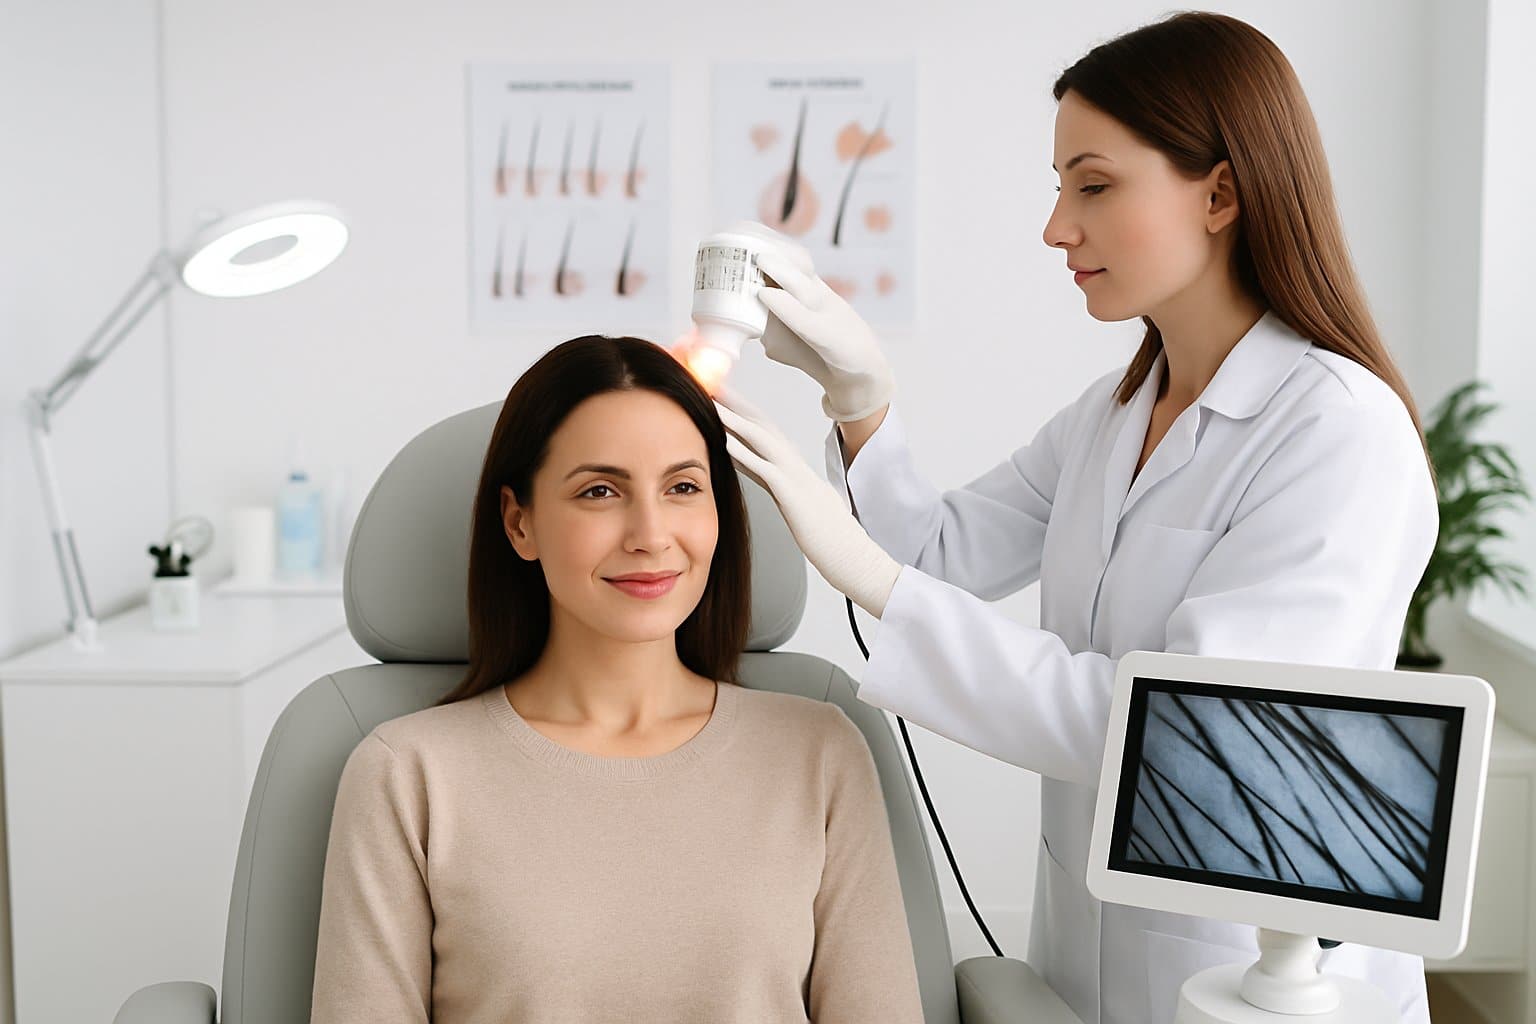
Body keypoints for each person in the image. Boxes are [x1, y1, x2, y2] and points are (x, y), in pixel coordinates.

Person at [717, 12, 1438, 1024]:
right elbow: (938, 550)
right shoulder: (1113, 418)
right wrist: (860, 398)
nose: (1059, 227)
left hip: (1260, 976)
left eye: (1093, 185)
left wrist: (878, 583)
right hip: (1092, 957)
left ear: (1221, 192)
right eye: (1060, 189)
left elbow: (1174, 736)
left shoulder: (1337, 434)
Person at [310, 336, 924, 1023]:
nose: (650, 533)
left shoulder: (819, 751)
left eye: (684, 488)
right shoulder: (407, 775)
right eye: (600, 491)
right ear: (520, 523)